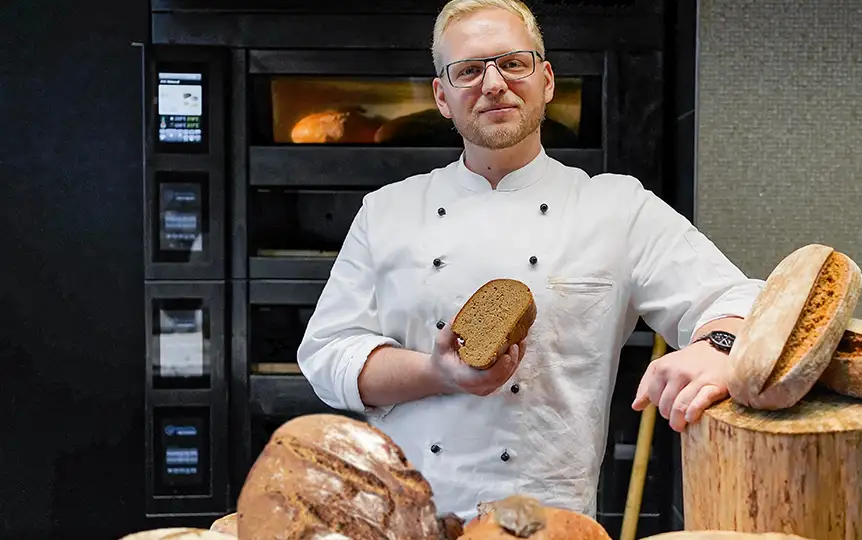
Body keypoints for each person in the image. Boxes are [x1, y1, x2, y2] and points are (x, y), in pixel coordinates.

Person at [297, 0, 764, 521]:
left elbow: (738, 298)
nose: (493, 83)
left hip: (549, 522)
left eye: (513, 63)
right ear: (442, 97)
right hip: (408, 519)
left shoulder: (617, 207)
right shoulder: (386, 210)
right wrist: (436, 372)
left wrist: (717, 346)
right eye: (468, 71)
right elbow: (328, 354)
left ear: (546, 80)